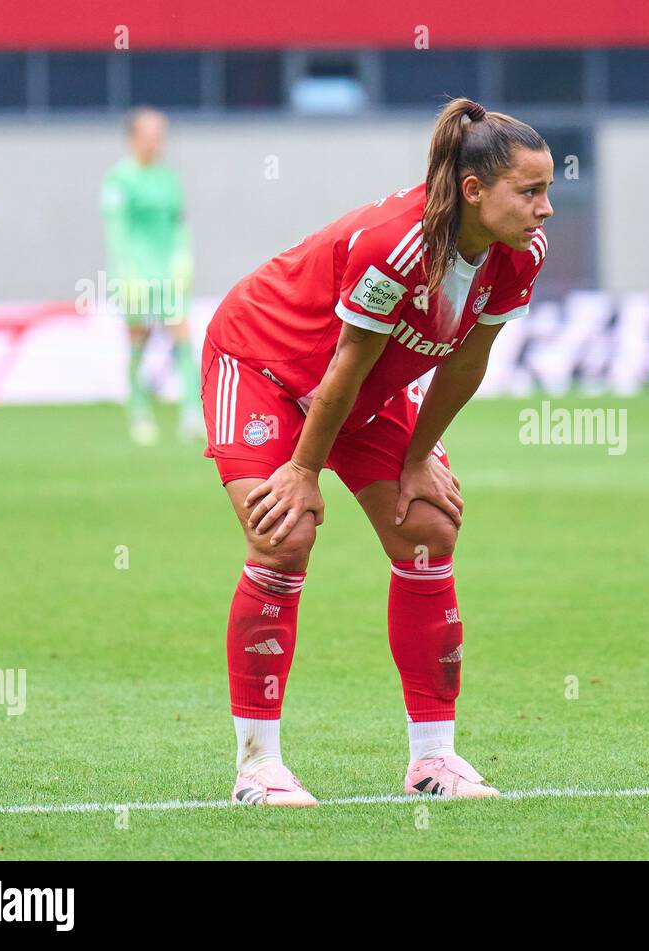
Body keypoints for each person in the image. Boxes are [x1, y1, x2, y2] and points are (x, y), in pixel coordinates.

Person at [201, 98, 553, 804]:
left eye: (549, 189)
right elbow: (343, 365)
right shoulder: (395, 245)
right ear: (475, 190)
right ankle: (258, 767)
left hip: (359, 385)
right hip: (265, 363)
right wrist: (302, 471)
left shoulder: (520, 254)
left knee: (427, 524)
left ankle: (433, 762)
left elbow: (464, 364)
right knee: (285, 533)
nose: (545, 209)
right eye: (532, 190)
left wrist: (420, 457)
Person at [100, 107, 201, 445]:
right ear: (133, 138)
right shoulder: (119, 179)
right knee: (139, 339)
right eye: (149, 135)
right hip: (136, 276)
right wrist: (126, 272)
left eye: (160, 135)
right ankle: (138, 410)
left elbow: (178, 225)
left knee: (182, 335)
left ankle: (191, 412)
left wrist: (182, 259)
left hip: (167, 273)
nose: (156, 142)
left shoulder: (168, 178)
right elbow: (118, 231)